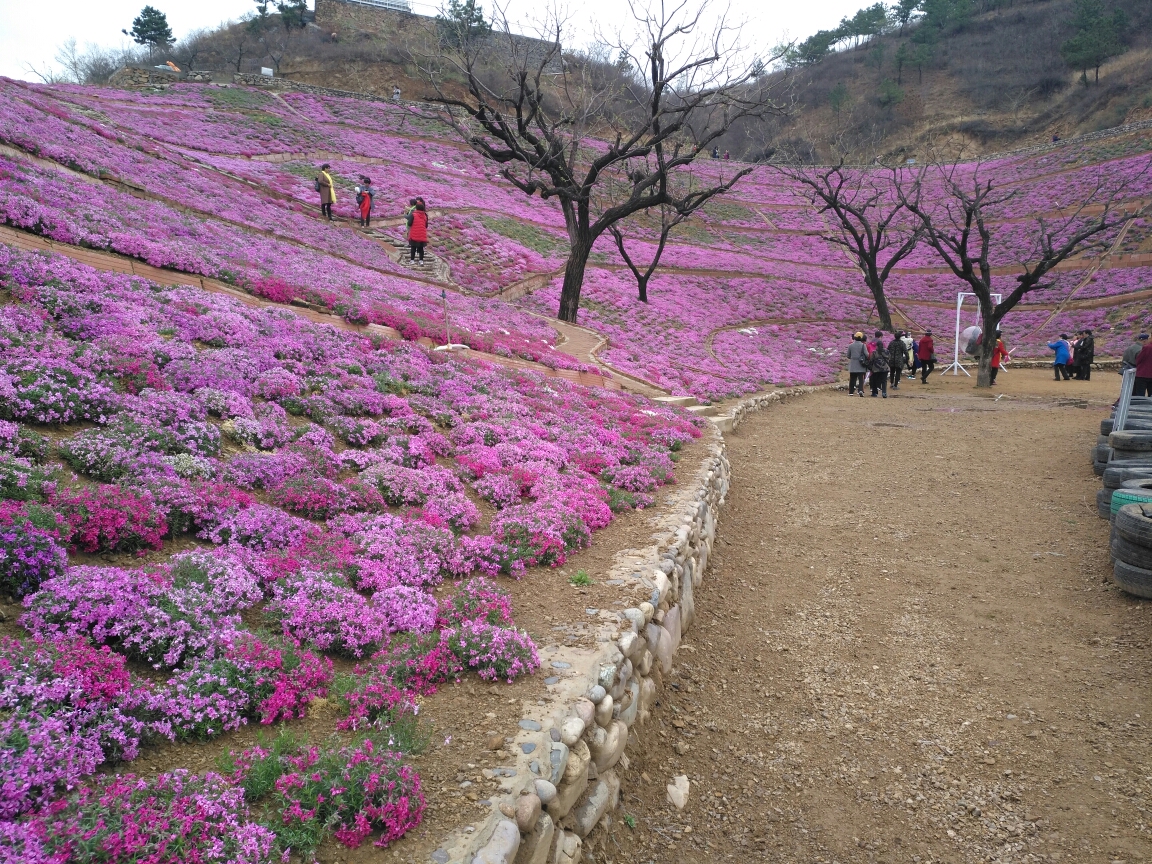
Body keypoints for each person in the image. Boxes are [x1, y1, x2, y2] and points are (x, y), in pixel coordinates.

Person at [869, 331, 890, 398]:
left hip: (876, 368)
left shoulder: (874, 352)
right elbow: (889, 358)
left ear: (877, 346)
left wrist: (870, 367)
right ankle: (884, 393)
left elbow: (871, 360)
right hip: (885, 368)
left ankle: (874, 393)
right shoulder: (886, 351)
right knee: (884, 381)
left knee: (875, 380)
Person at [847, 332, 868, 397]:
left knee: (852, 378)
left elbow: (848, 355)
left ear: (855, 337)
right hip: (860, 364)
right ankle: (860, 390)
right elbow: (867, 354)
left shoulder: (850, 345)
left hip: (853, 363)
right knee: (861, 378)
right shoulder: (863, 345)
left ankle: (851, 392)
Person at [407, 199, 428, 264]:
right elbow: (426, 225)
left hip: (414, 234)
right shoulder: (425, 215)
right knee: (421, 249)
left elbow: (409, 223)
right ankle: (421, 261)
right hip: (422, 234)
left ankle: (412, 260)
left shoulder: (413, 214)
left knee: (413, 248)